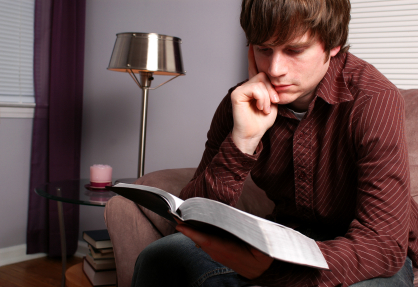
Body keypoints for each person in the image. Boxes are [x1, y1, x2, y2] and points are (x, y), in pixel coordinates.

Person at [131, 0, 418, 286]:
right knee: (161, 258)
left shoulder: (374, 100)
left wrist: (272, 273)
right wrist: (243, 140)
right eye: (264, 49)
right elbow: (192, 221)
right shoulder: (239, 102)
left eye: (295, 50)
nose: (275, 69)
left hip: (364, 247)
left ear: (333, 45)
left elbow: (383, 244)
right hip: (286, 236)